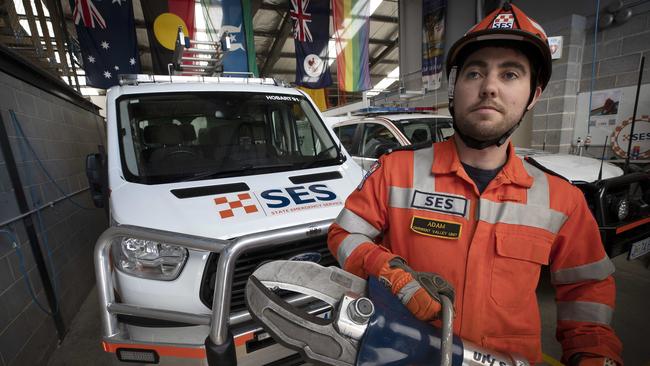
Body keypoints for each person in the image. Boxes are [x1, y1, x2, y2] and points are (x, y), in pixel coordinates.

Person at [327, 3, 623, 365]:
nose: (489, 88)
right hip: (403, 355)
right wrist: (389, 273)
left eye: (510, 74)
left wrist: (593, 352)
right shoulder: (396, 171)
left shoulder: (563, 200)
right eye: (474, 73)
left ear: (535, 94)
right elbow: (343, 236)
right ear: (455, 88)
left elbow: (587, 286)